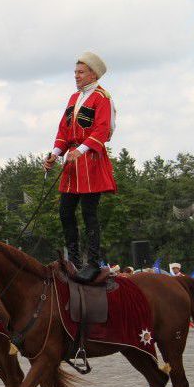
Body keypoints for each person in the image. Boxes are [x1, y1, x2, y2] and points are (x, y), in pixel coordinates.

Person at [44, 52, 117, 283]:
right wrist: (55, 154)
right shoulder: (74, 98)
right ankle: (74, 260)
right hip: (72, 163)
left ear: (93, 74)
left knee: (89, 214)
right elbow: (64, 131)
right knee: (65, 212)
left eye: (80, 72)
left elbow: (102, 130)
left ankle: (93, 262)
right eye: (75, 72)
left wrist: (80, 150)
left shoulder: (102, 97)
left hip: (90, 160)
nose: (76, 76)